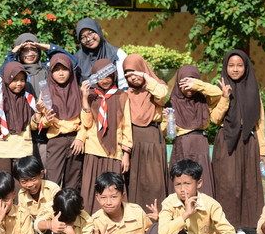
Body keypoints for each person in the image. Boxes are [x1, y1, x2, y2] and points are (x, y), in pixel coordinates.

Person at [212, 49, 265, 234]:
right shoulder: (220, 88)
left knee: (245, 184)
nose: (235, 69)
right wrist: (225, 98)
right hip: (227, 140)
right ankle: (225, 225)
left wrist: (263, 152)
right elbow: (215, 118)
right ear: (226, 67)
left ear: (246, 67)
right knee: (227, 184)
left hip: (249, 142)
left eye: (239, 65)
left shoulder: (253, 90)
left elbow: (260, 123)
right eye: (231, 65)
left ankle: (240, 226)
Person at [1, 32, 78, 158]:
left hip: (47, 129)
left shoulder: (47, 69)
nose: (30, 53)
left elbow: (72, 63)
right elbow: (3, 72)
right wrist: (13, 52)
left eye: (34, 49)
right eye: (25, 50)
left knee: (44, 171)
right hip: (22, 130)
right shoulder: (15, 71)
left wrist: (47, 47)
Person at [79, 59, 132, 214]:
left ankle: (116, 223)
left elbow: (126, 125)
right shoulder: (90, 95)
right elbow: (86, 124)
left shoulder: (122, 96)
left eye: (109, 76)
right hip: (93, 150)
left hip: (113, 152)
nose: (105, 80)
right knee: (91, 190)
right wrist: (84, 97)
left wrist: (126, 154)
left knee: (113, 189)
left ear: (114, 76)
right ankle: (91, 224)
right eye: (101, 77)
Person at [163, 65, 224, 198]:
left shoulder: (203, 100)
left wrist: (197, 85)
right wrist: (166, 119)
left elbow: (219, 93)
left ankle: (204, 214)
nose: (188, 88)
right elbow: (164, 132)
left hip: (200, 145)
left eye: (191, 82)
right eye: (184, 83)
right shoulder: (172, 103)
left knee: (202, 180)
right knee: (181, 179)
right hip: (181, 146)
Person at [122, 54, 168, 211]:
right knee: (135, 180)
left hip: (153, 137)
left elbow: (162, 95)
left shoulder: (155, 87)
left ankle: (157, 220)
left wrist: (145, 77)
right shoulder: (127, 94)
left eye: (135, 72)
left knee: (154, 181)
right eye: (128, 74)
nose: (133, 78)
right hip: (134, 138)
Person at [36, 53, 83, 190]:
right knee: (52, 182)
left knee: (73, 182)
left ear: (71, 70)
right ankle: (50, 211)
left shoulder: (78, 91)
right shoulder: (45, 92)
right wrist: (44, 117)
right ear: (51, 72)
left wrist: (80, 138)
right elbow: (42, 123)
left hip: (76, 141)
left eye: (65, 69)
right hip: (56, 140)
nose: (61, 73)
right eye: (56, 70)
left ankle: (69, 211)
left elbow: (86, 121)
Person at [0, 62, 39, 177]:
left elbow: (33, 126)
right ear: (7, 79)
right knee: (4, 186)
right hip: (4, 149)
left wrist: (39, 112)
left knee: (21, 186)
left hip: (23, 149)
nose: (19, 83)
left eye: (22, 80)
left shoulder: (29, 98)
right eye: (15, 79)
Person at [74, 17, 127, 90]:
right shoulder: (77, 59)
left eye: (91, 33)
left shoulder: (117, 54)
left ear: (98, 31)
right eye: (83, 37)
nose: (88, 39)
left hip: (114, 99)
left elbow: (123, 85)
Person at [12, 155, 60, 221]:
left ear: (41, 174)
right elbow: (24, 217)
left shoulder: (53, 189)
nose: (29, 185)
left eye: (33, 179)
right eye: (24, 181)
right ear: (18, 181)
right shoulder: (22, 194)